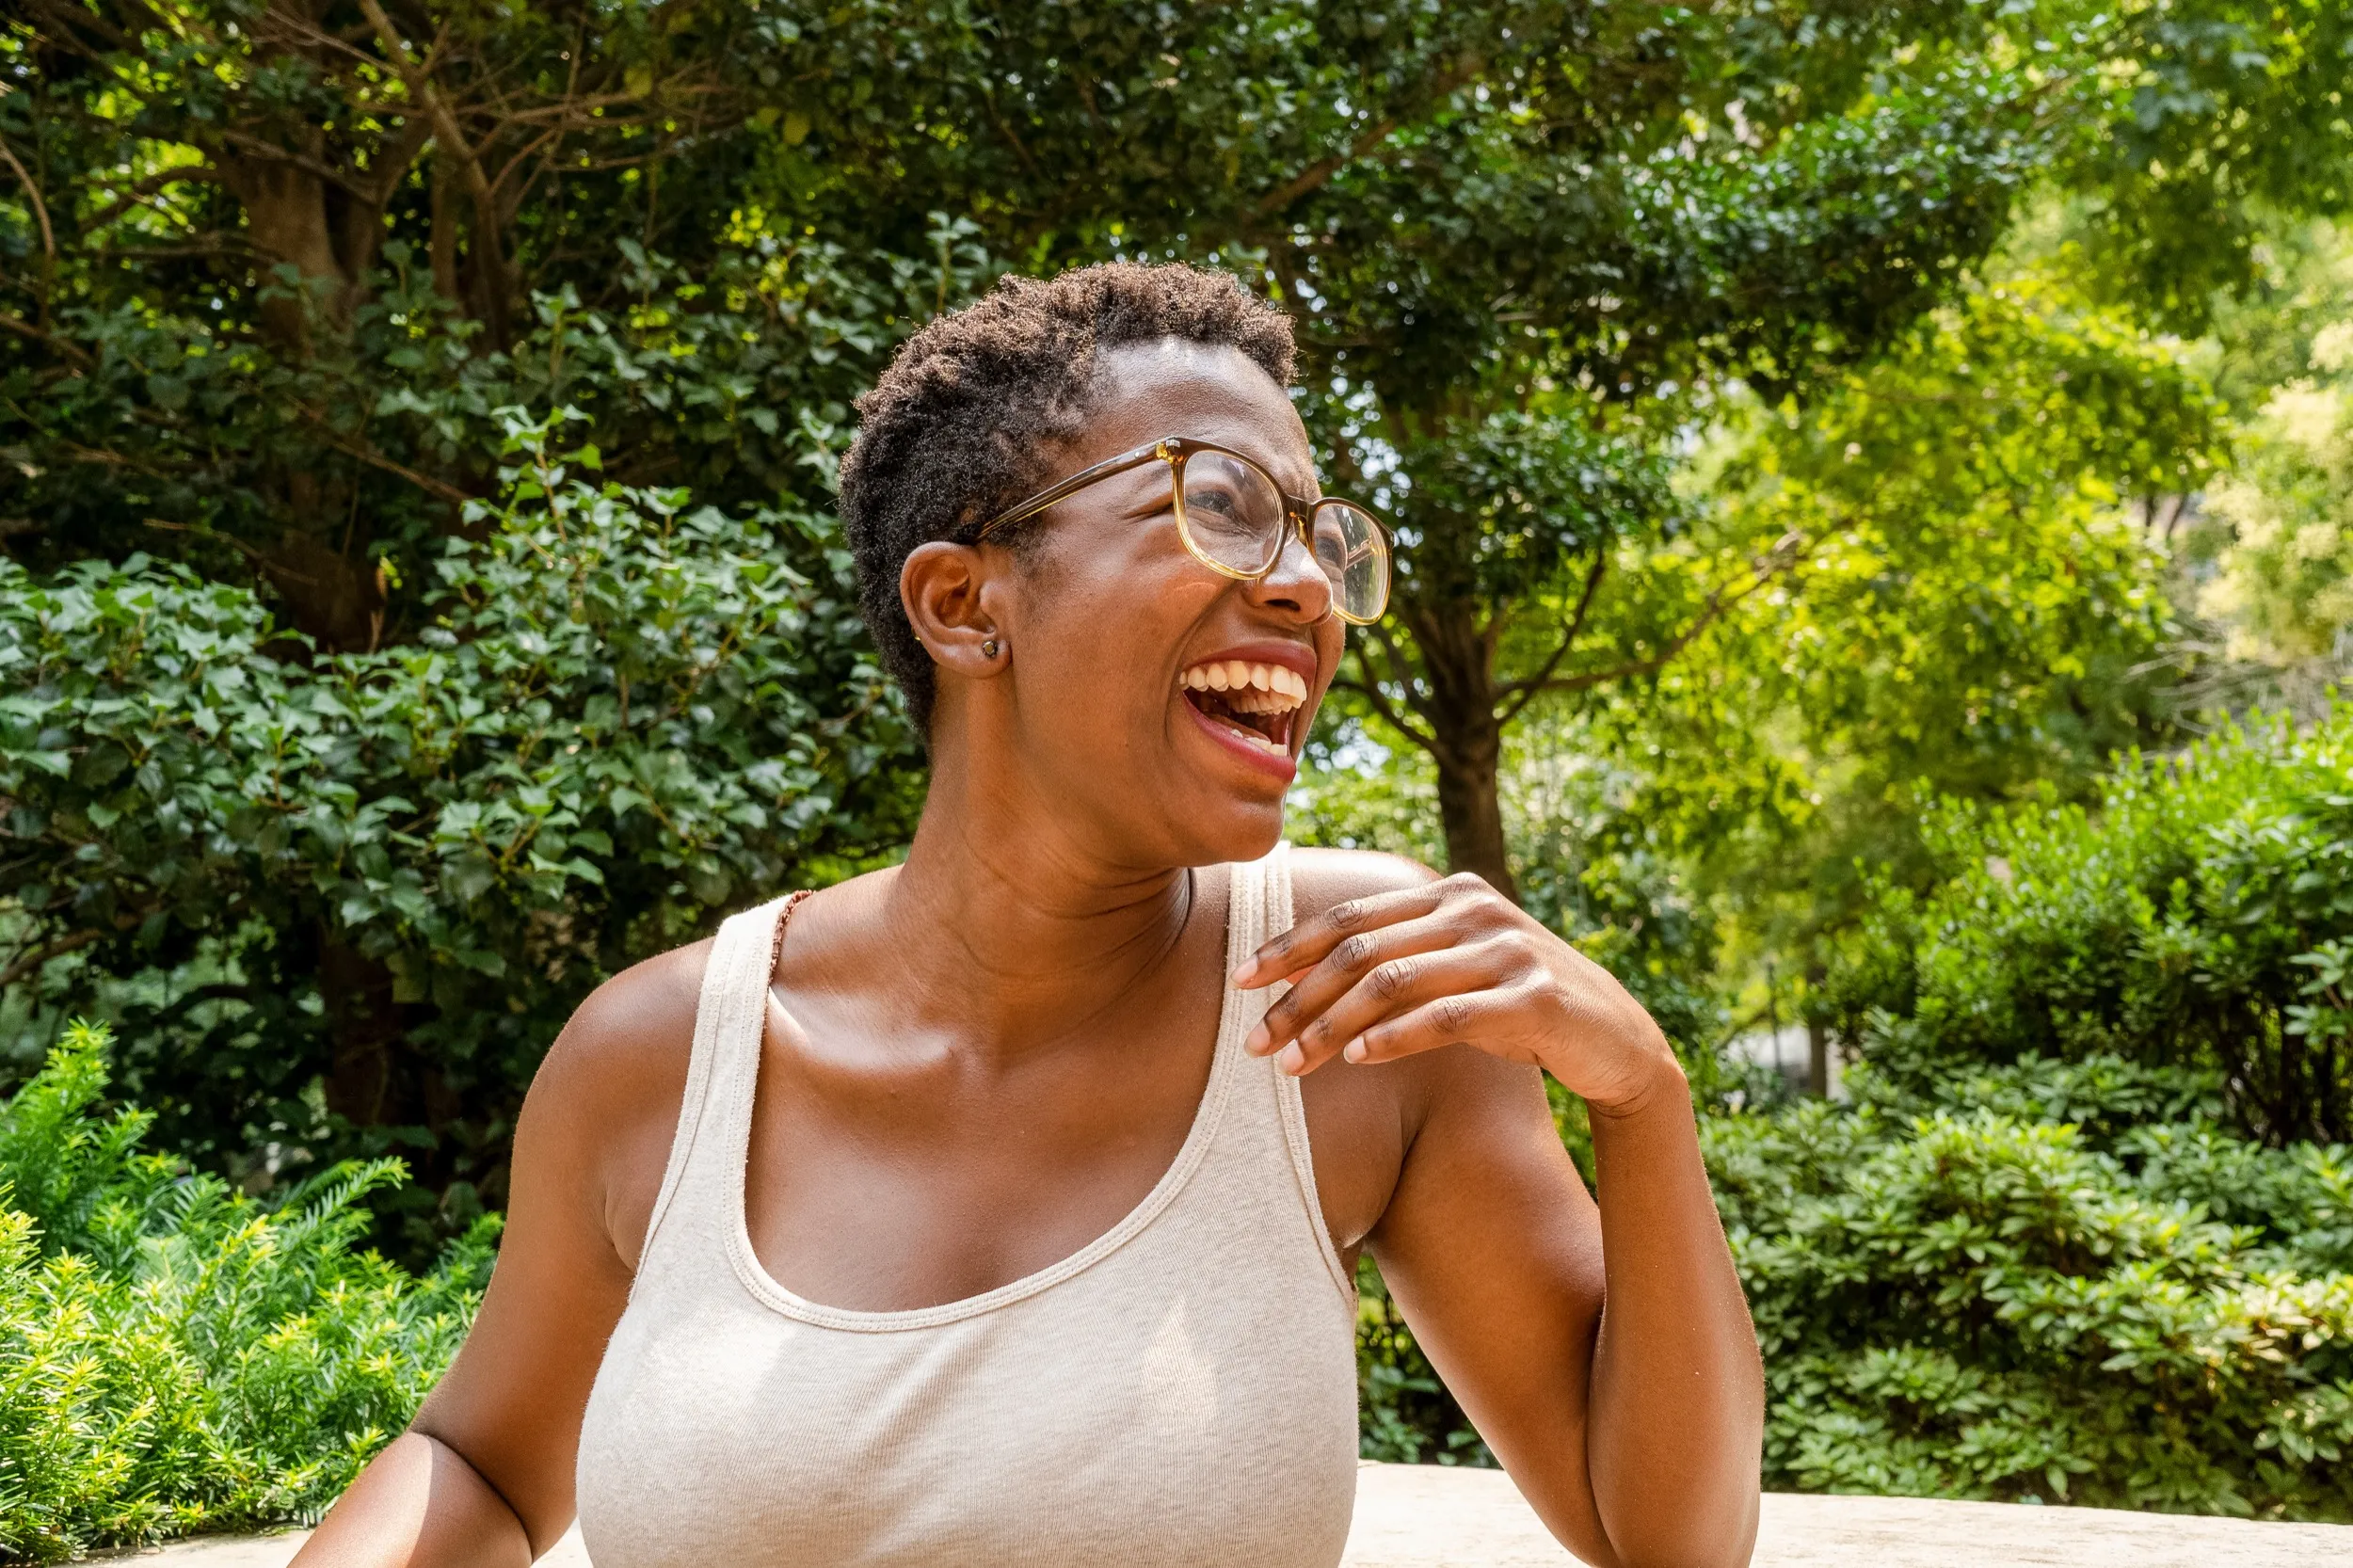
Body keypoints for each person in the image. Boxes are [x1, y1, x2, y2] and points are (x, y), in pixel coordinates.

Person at [293, 262, 1762, 1568]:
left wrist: (1644, 1096)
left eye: (1322, 537)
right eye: (1225, 505)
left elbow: (1662, 1533)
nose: (1311, 588)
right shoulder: (661, 1058)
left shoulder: (1355, 994)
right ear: (963, 603)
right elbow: (478, 1462)